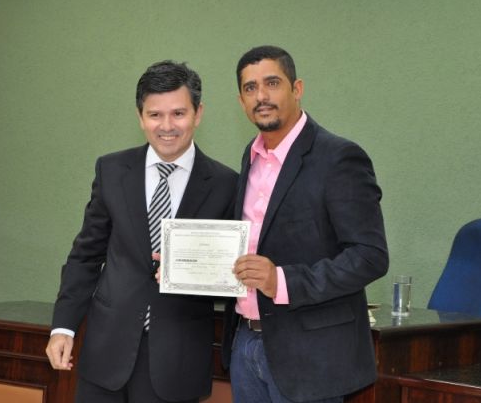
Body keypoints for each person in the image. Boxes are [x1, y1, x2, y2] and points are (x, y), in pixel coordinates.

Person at [46, 60, 238, 403]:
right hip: (105, 355)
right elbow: (85, 256)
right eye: (155, 115)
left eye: (178, 113)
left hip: (176, 361)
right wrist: (63, 327)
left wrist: (196, 273)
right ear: (140, 117)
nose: (167, 126)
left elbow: (232, 272)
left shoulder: (226, 184)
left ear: (198, 114)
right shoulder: (111, 170)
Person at [221, 45, 389, 403]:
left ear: (296, 89)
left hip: (310, 357)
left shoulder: (339, 157)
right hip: (245, 344)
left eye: (272, 83)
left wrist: (282, 281)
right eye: (250, 88)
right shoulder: (251, 157)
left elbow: (370, 256)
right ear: (241, 101)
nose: (261, 96)